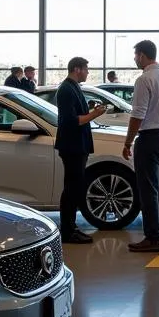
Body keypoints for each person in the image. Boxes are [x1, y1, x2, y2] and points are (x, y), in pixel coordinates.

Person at [124, 40, 159, 253]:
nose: (134, 59)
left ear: (141, 55)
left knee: (149, 189)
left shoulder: (144, 79)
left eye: (135, 55)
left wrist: (128, 142)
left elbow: (137, 114)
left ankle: (152, 238)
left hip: (150, 137)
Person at [54, 56, 107, 245]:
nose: (87, 72)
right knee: (71, 189)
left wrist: (91, 110)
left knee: (75, 187)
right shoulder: (66, 89)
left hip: (78, 145)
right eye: (86, 69)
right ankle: (68, 230)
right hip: (72, 146)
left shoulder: (74, 87)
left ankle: (71, 227)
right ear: (77, 69)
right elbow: (71, 121)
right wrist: (94, 114)